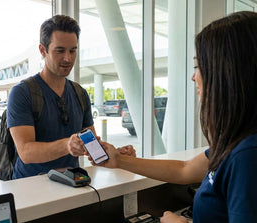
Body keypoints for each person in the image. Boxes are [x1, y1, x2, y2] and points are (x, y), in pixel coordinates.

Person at [87, 11, 257, 223]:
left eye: (198, 65)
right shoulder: (236, 142)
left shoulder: (248, 155)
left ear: (228, 70)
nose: (193, 76)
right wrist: (120, 160)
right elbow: (185, 170)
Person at [6, 15, 94, 179]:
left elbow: (90, 142)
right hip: (31, 190)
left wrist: (117, 154)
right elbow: (25, 152)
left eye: (72, 50)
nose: (68, 58)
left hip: (71, 184)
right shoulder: (22, 93)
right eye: (60, 51)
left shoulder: (79, 93)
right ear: (42, 50)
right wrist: (68, 145)